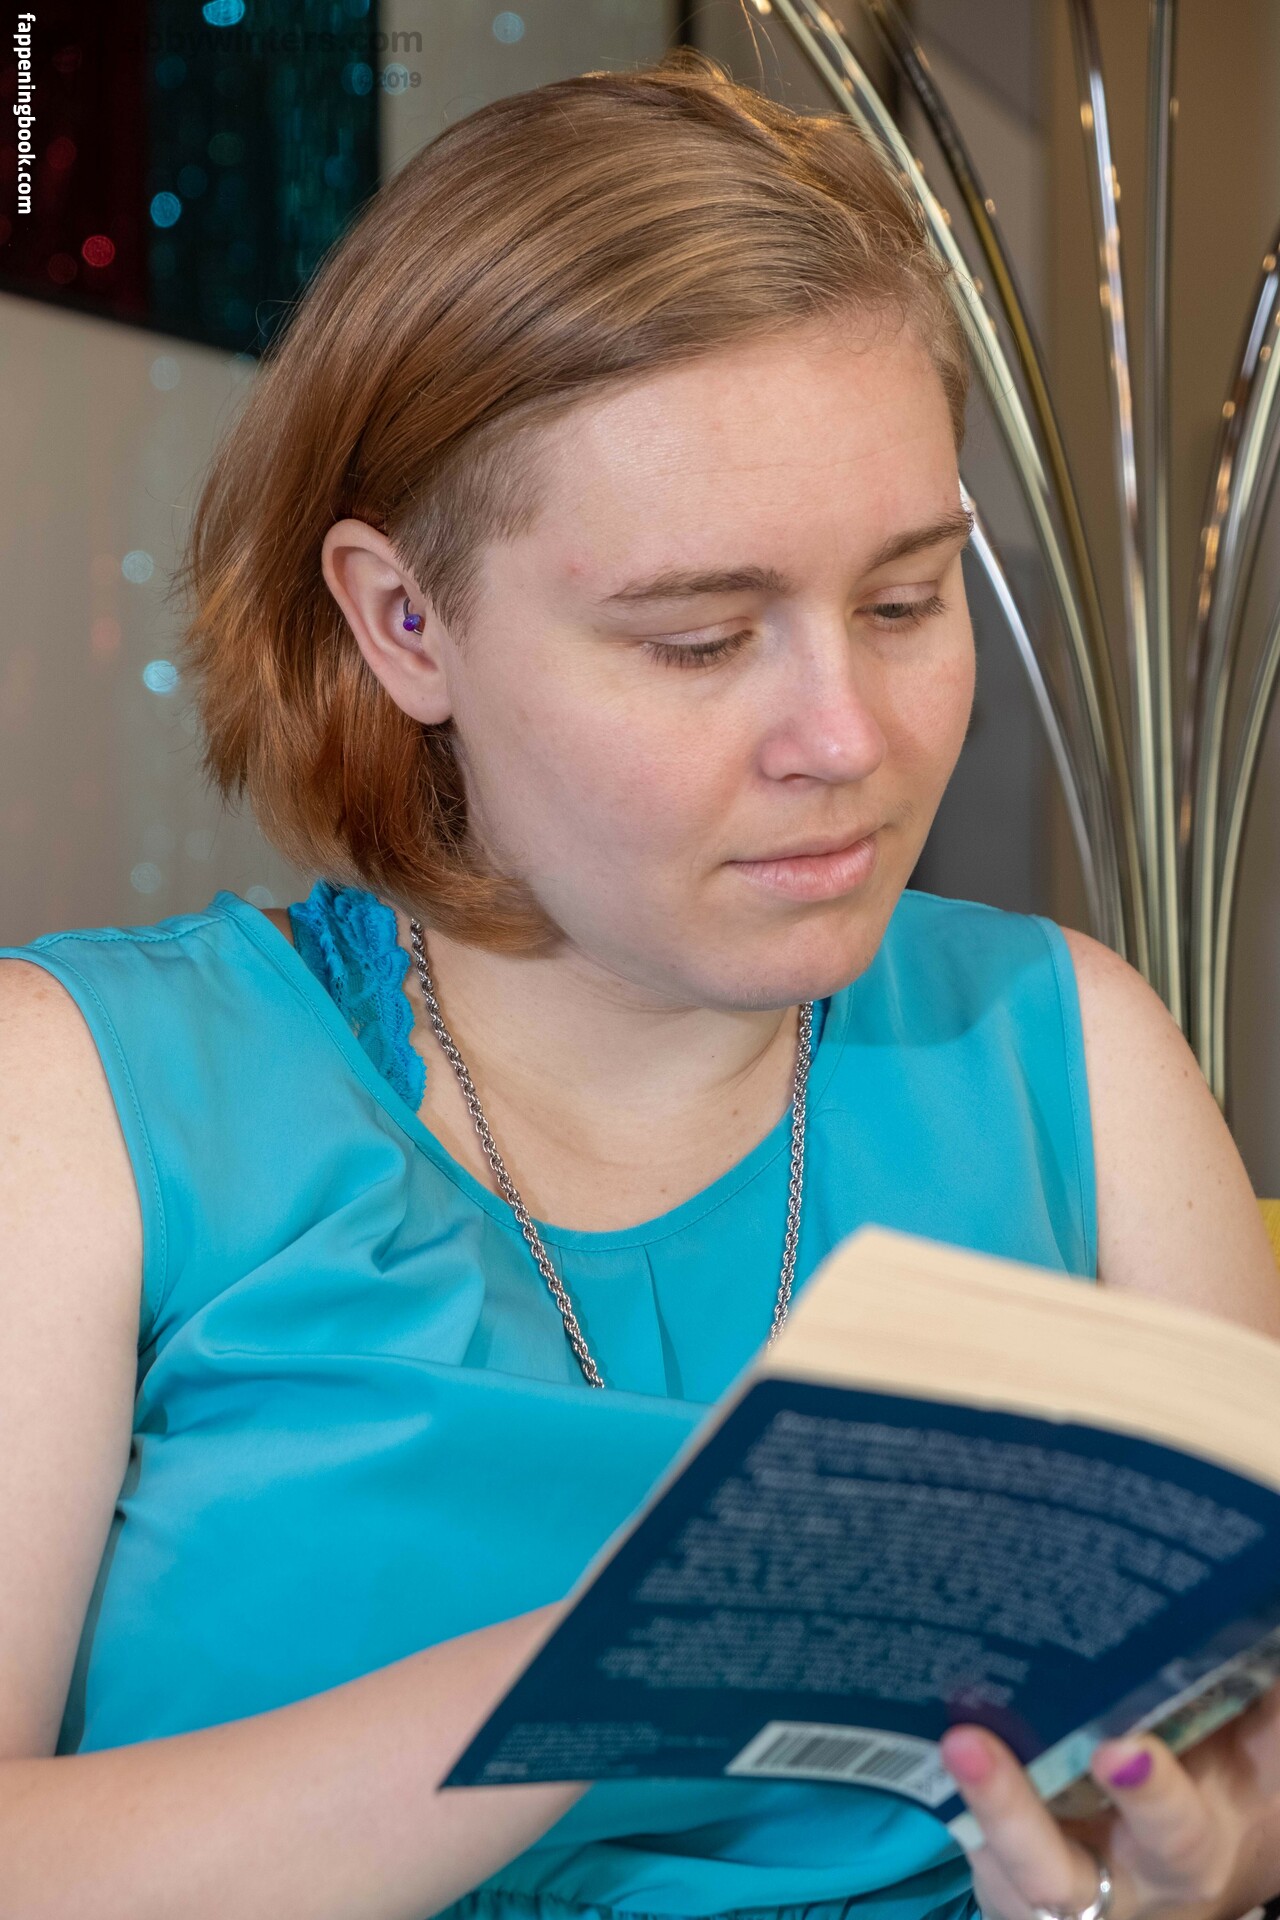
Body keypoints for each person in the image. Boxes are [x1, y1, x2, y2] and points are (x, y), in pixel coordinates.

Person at [2, 45, 1280, 1920]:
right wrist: (635, 1658)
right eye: (697, 639)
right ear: (404, 621)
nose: (848, 738)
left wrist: (1210, 1855)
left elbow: (1248, 1743)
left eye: (907, 602)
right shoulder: (84, 1102)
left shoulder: (1066, 1050)